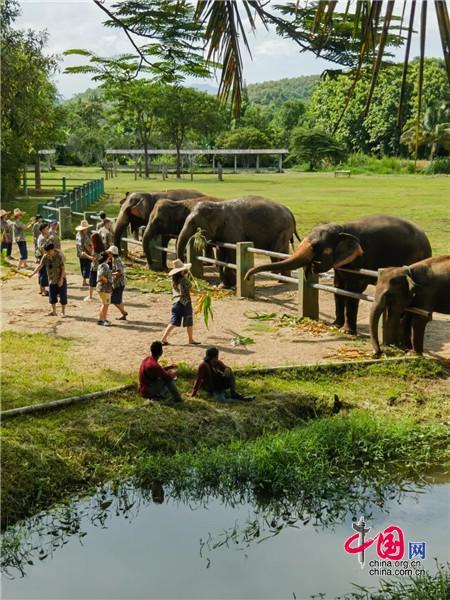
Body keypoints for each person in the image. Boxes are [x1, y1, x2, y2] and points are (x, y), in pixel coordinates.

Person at [161, 259, 200, 346]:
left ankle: (164, 338)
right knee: (189, 321)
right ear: (181, 271)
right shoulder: (184, 280)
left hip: (175, 303)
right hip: (185, 303)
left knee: (173, 322)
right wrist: (202, 293)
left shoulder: (174, 280)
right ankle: (190, 339)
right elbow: (193, 291)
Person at [29, 242, 67, 317]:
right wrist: (32, 273)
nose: (47, 253)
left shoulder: (59, 256)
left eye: (49, 251)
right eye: (46, 251)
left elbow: (63, 268)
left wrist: (61, 280)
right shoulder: (45, 256)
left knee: (63, 296)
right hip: (51, 280)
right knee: (52, 297)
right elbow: (40, 265)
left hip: (60, 279)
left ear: (53, 249)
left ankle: (63, 312)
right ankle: (54, 311)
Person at [106, 245, 128, 320]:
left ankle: (124, 312)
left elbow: (119, 272)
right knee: (119, 300)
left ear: (112, 253)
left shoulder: (117, 260)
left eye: (109, 252)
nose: (108, 254)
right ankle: (123, 315)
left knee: (114, 300)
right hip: (118, 283)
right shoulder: (115, 259)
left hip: (119, 283)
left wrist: (110, 274)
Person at [84, 232, 105, 302]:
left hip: (94, 268)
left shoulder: (95, 249)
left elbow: (93, 259)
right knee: (100, 282)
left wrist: (85, 254)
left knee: (91, 283)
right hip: (101, 268)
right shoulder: (103, 247)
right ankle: (103, 296)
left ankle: (90, 297)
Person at [96, 252, 113, 326]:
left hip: (103, 288)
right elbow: (100, 276)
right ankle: (104, 320)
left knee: (104, 304)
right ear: (106, 258)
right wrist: (106, 280)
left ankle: (101, 320)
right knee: (105, 304)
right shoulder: (104, 266)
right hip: (104, 288)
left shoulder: (102, 265)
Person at [75, 220, 93, 287]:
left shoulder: (78, 234)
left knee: (82, 266)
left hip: (80, 253)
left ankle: (84, 281)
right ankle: (84, 281)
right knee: (87, 267)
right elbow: (86, 245)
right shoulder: (85, 236)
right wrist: (91, 252)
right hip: (86, 253)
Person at [36, 222, 50, 295]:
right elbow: (42, 249)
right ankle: (44, 291)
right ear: (43, 230)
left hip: (40, 256)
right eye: (47, 229)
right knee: (43, 273)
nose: (48, 230)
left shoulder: (41, 236)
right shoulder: (42, 238)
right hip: (42, 256)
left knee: (41, 273)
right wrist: (47, 256)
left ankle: (41, 289)